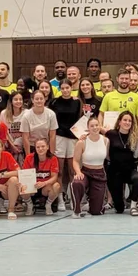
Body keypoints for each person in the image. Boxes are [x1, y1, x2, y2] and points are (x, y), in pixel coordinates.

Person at [51, 82, 83, 212]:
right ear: (60, 89)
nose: (65, 90)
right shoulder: (54, 102)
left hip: (73, 137)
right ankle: (60, 199)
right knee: (59, 170)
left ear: (71, 88)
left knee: (72, 170)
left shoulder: (77, 102)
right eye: (62, 88)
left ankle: (74, 198)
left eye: (67, 88)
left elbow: (80, 119)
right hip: (59, 137)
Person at [71, 117, 109, 218]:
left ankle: (92, 202)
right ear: (88, 128)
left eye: (96, 125)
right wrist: (78, 172)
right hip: (85, 172)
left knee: (96, 211)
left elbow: (108, 157)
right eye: (92, 126)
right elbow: (75, 160)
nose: (95, 128)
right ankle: (76, 209)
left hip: (99, 174)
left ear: (100, 126)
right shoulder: (82, 142)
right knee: (76, 183)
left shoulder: (106, 141)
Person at [106, 111, 138, 215]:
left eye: (130, 121)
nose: (127, 122)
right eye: (125, 120)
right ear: (119, 122)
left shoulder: (135, 137)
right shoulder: (111, 134)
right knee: (119, 209)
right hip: (115, 172)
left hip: (129, 170)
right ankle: (118, 203)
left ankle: (133, 206)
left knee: (137, 178)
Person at [21, 138, 62, 216]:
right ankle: (30, 205)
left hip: (46, 187)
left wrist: (44, 183)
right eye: (38, 147)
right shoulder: (29, 158)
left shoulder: (53, 158)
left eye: (43, 146)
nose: (40, 149)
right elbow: (25, 175)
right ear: (35, 148)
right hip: (33, 187)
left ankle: (48, 205)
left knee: (56, 186)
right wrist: (31, 184)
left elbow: (54, 177)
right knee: (21, 186)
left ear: (47, 147)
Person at [21, 89, 58, 154]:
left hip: (46, 146)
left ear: (45, 99)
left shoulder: (51, 114)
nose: (39, 101)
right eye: (37, 99)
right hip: (32, 146)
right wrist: (28, 156)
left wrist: (52, 153)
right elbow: (25, 137)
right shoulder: (26, 116)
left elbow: (52, 136)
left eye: (41, 99)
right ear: (32, 100)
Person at [2, 92, 30, 162]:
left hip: (23, 141)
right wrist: (12, 145)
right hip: (9, 142)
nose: (18, 101)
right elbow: (4, 132)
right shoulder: (4, 113)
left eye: (20, 99)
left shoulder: (27, 112)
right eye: (16, 99)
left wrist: (17, 144)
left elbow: (28, 132)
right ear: (11, 101)